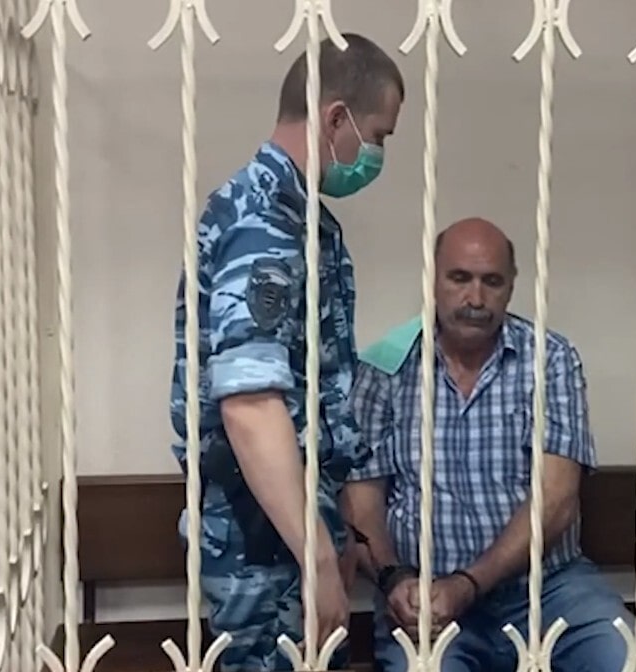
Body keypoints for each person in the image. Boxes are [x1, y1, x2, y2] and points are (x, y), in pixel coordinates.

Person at [168, 33, 405, 672]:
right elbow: (249, 403)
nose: (376, 155)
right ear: (336, 118)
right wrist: (315, 554)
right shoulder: (263, 222)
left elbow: (316, 393)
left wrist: (334, 529)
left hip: (288, 526)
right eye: (377, 136)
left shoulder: (302, 221)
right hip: (262, 537)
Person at [342, 217, 636, 671]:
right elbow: (362, 502)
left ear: (511, 286)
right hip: (426, 599)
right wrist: (395, 578)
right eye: (459, 278)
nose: (475, 299)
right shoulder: (385, 368)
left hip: (547, 589)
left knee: (630, 661)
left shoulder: (549, 360)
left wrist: (469, 583)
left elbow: (556, 500)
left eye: (492, 281)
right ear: (433, 278)